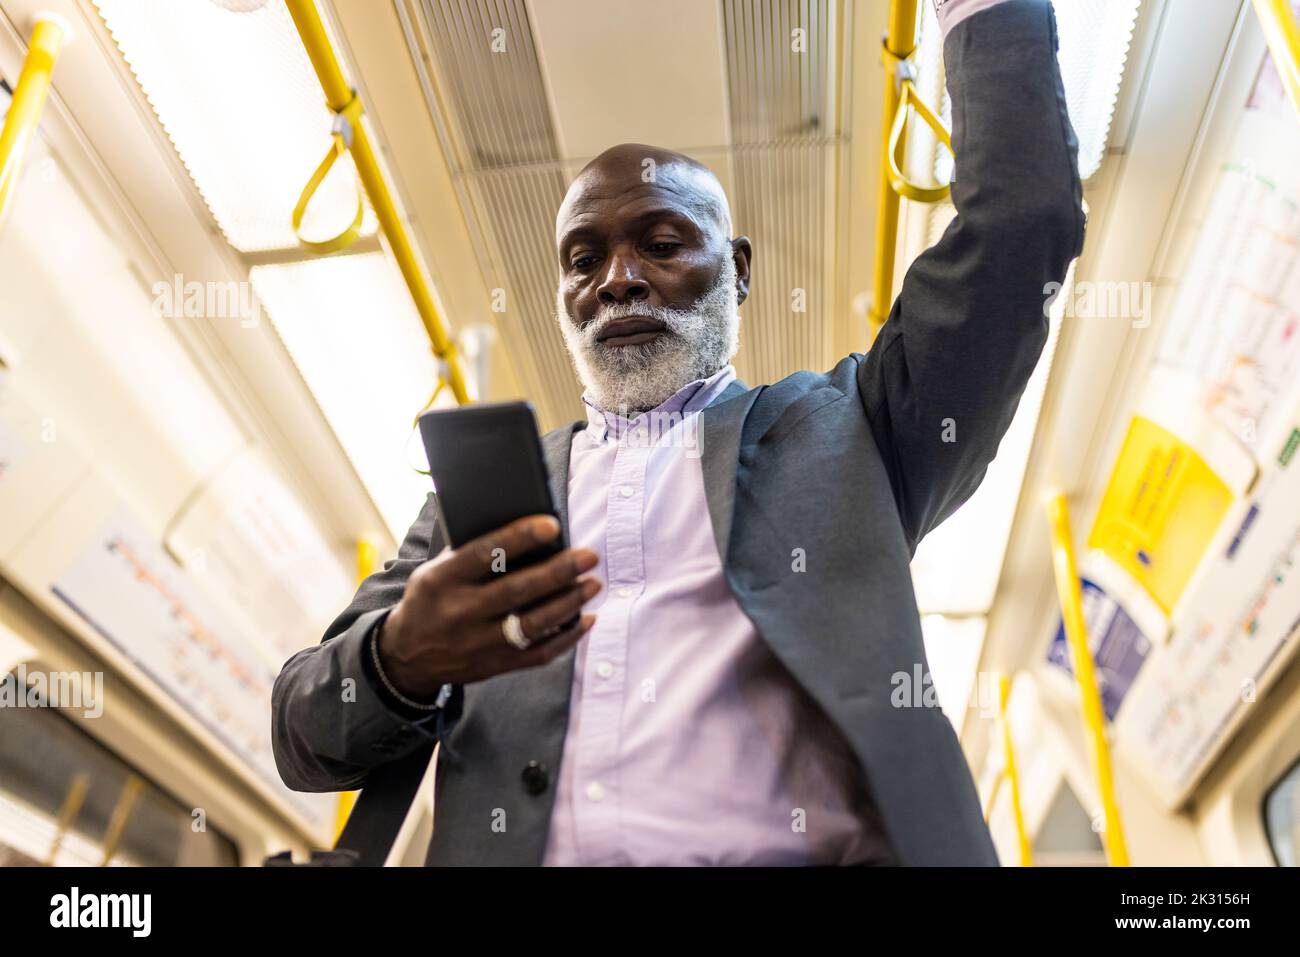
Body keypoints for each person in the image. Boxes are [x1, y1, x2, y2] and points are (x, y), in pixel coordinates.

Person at [272, 0, 1084, 865]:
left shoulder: (858, 433)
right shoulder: (477, 503)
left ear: (736, 272)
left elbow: (1020, 223)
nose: (619, 280)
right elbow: (302, 732)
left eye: (661, 243)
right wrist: (399, 658)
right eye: (584, 261)